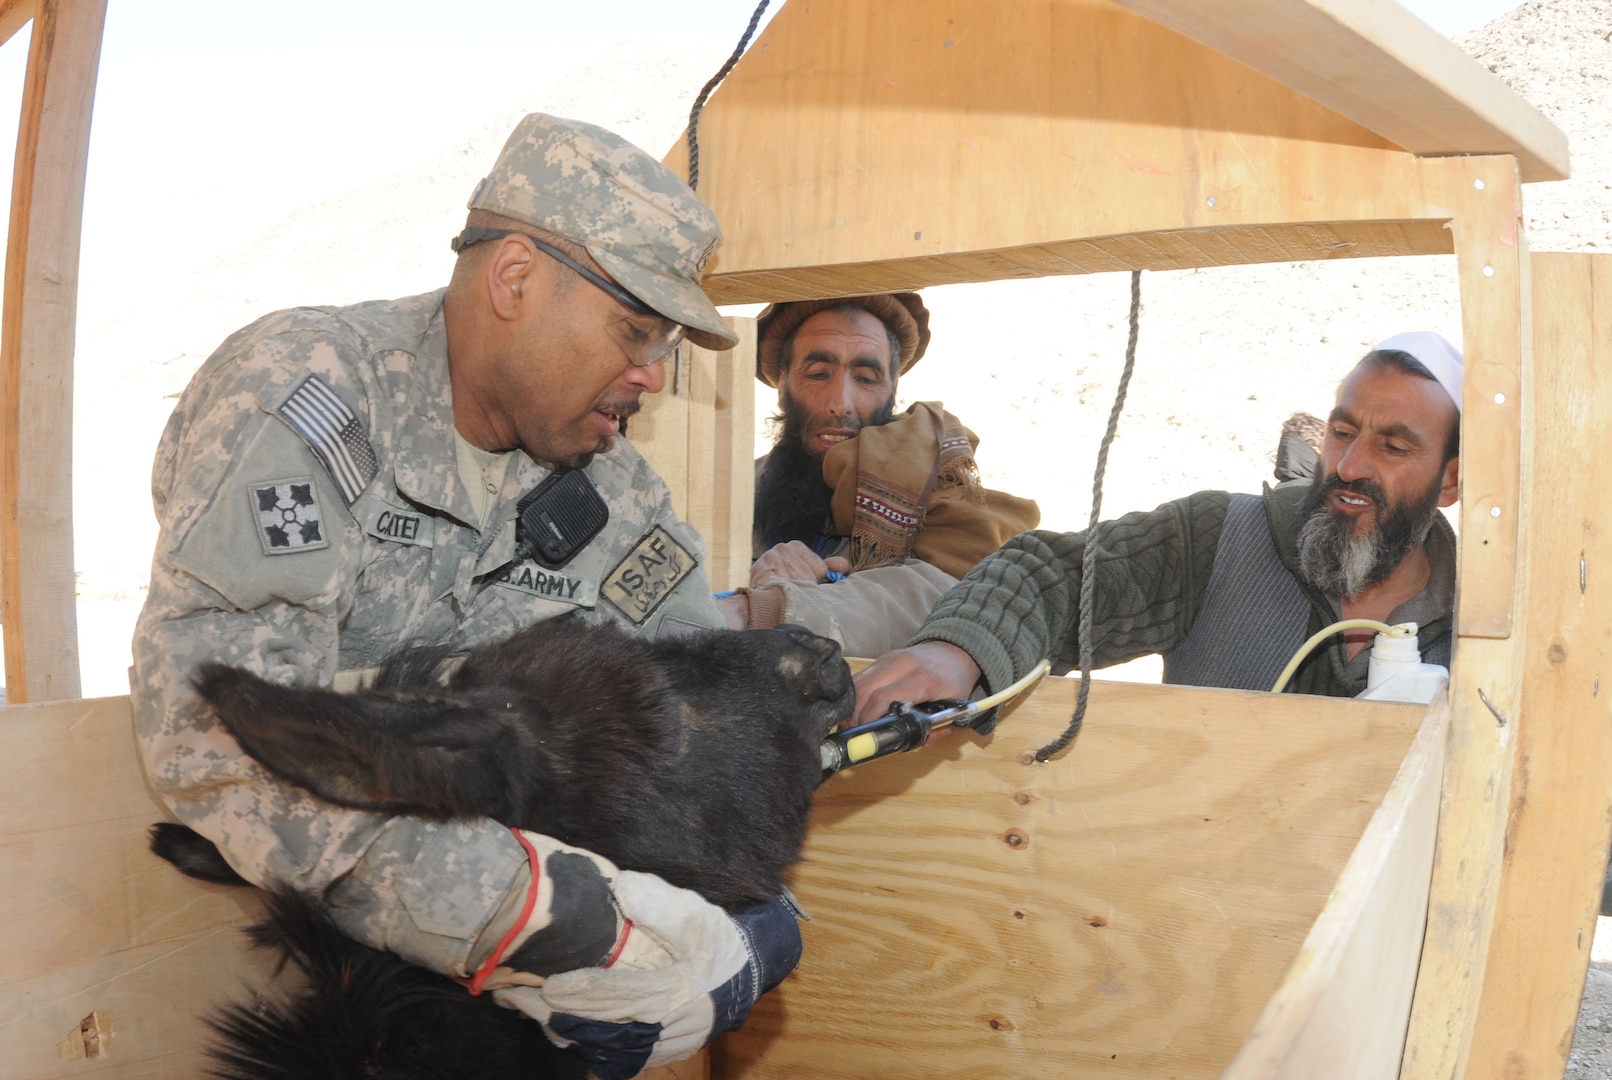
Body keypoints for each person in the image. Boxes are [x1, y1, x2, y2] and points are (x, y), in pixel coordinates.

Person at [132, 113, 798, 1078]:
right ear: (515, 278)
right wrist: (524, 915)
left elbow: (694, 695)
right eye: (636, 330)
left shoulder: (614, 490)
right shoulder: (311, 395)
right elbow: (217, 728)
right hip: (341, 976)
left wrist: (739, 894)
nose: (652, 373)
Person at [852, 332, 1464, 725]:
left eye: (1393, 447)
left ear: (1452, 481)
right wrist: (958, 650)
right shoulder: (1220, 538)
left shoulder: (1482, 629)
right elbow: (1057, 576)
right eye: (1343, 432)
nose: (1351, 466)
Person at [716, 293, 1039, 656]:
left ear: (892, 390)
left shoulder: (937, 496)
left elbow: (977, 611)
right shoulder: (720, 492)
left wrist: (825, 591)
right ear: (782, 381)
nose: (841, 403)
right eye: (818, 374)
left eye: (866, 379)